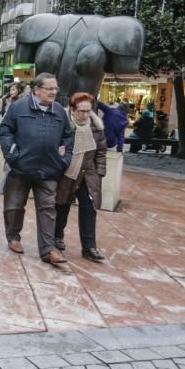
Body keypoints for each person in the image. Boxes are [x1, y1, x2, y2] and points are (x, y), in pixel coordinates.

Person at [0, 72, 74, 266]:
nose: (54, 92)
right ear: (37, 90)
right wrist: (12, 156)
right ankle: (13, 237)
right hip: (21, 168)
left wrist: (64, 159)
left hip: (49, 169)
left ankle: (48, 249)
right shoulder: (18, 108)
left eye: (55, 88)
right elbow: (5, 130)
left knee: (48, 208)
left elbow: (68, 136)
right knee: (14, 205)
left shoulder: (59, 111)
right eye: (49, 88)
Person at [54, 94, 107, 262]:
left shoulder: (96, 127)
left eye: (88, 111)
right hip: (68, 173)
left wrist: (99, 174)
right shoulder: (64, 126)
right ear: (72, 109)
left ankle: (89, 247)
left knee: (89, 209)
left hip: (88, 174)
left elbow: (101, 152)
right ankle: (57, 236)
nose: (84, 115)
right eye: (81, 111)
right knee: (61, 206)